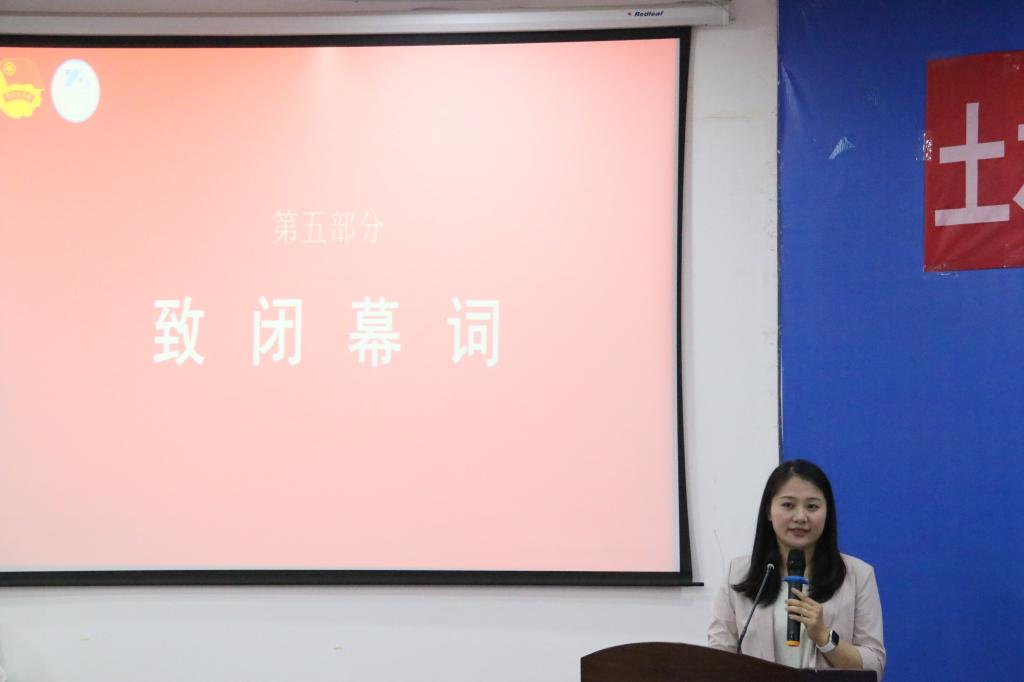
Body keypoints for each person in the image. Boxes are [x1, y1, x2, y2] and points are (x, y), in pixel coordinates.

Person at [707, 459, 886, 679]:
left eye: (812, 507)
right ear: (768, 511)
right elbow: (716, 660)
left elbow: (874, 667)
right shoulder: (737, 573)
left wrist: (824, 636)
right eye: (788, 505)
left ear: (827, 512)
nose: (800, 517)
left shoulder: (858, 575)